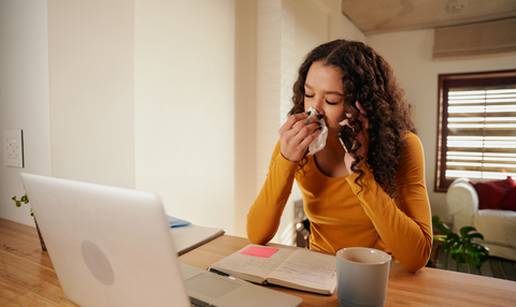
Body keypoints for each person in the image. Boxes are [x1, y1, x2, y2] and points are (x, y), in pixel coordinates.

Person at [246, 39, 432, 272]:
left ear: (362, 103)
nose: (315, 109)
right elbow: (256, 234)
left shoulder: (404, 146)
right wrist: (286, 160)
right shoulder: (295, 144)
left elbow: (417, 256)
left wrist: (359, 173)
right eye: (309, 94)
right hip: (316, 273)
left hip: (378, 276)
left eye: (332, 100)